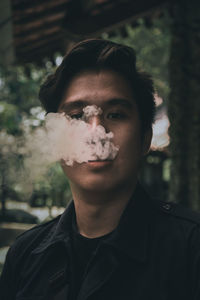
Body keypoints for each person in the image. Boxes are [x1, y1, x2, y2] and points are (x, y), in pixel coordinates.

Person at [0, 39, 200, 300]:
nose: (96, 134)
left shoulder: (191, 248)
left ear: (145, 138)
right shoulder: (25, 254)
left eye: (115, 115)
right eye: (76, 116)